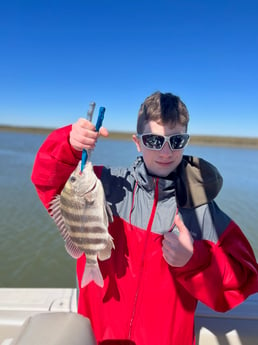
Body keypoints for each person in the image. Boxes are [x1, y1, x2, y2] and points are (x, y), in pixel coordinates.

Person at [31, 91, 258, 345]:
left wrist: (194, 260)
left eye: (176, 140)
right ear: (137, 142)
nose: (165, 151)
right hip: (99, 335)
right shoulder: (105, 185)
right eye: (153, 140)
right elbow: (48, 181)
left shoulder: (201, 210)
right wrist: (68, 145)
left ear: (185, 141)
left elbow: (244, 279)